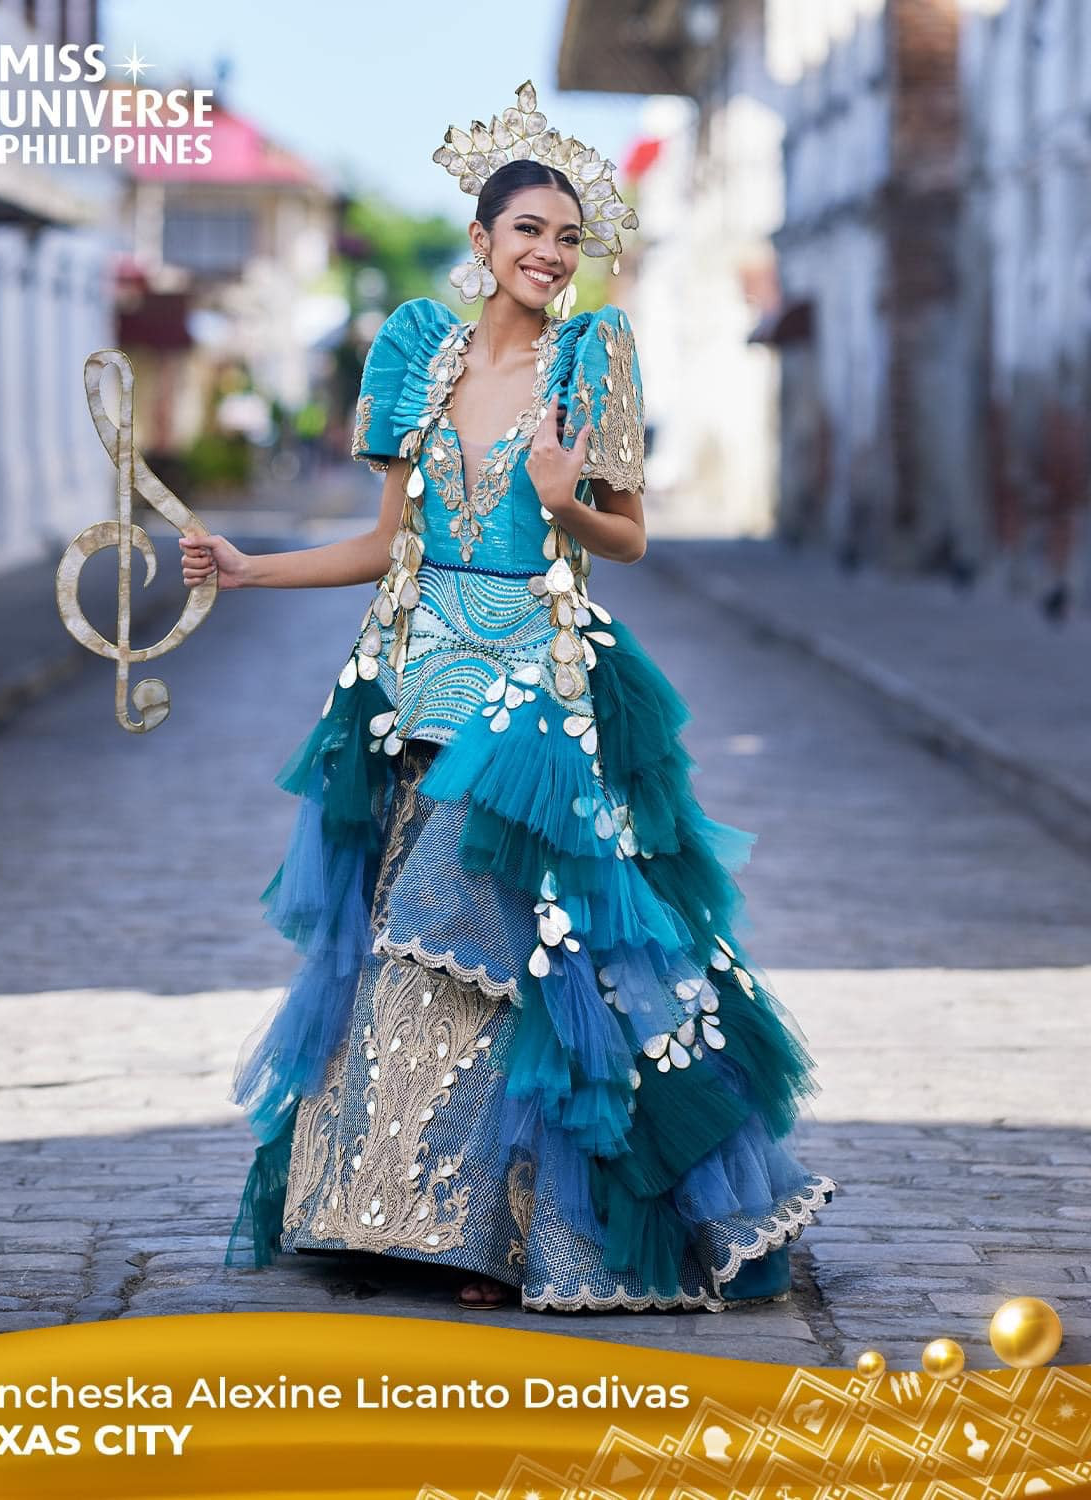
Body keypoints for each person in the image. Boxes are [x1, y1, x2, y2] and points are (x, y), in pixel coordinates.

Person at [181, 83, 834, 1313]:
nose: (548, 253)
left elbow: (627, 540)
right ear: (480, 242)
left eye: (569, 236)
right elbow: (386, 542)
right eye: (527, 229)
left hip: (537, 693)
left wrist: (565, 491)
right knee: (407, 952)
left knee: (488, 939)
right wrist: (252, 565)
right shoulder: (418, 357)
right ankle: (393, 1217)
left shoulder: (594, 360)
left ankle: (499, 1236)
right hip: (412, 682)